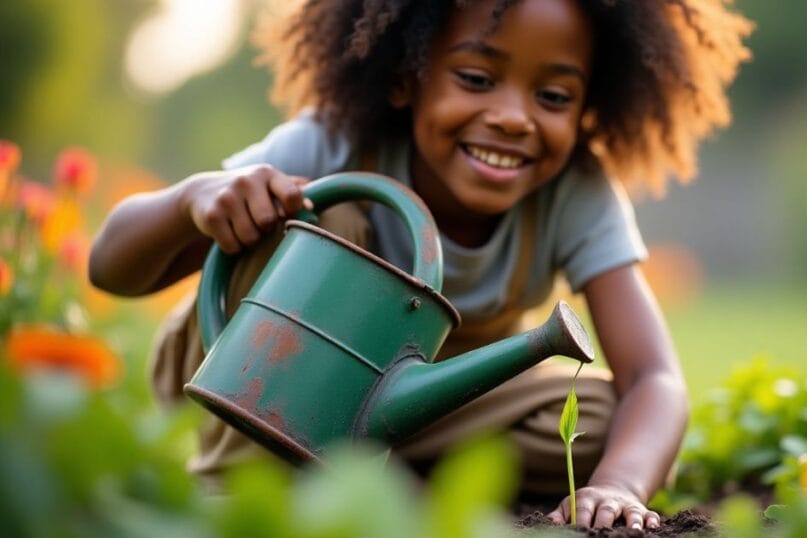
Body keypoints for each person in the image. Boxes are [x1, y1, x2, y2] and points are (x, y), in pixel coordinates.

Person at [89, 0, 751, 529]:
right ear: (407, 78)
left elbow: (653, 377)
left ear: (588, 108)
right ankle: (240, 492)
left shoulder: (573, 192)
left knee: (598, 414)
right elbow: (110, 269)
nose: (514, 117)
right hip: (252, 382)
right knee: (315, 226)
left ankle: (378, 480)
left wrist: (618, 484)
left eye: (553, 96)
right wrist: (191, 201)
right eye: (476, 79)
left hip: (410, 405)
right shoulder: (334, 143)